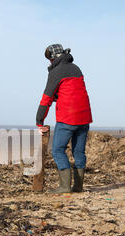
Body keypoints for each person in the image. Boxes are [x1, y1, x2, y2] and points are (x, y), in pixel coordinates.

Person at [36, 44, 93, 193]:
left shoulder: (56, 71)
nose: (49, 62)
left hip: (68, 117)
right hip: (84, 117)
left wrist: (39, 120)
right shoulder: (76, 68)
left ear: (53, 58)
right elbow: (70, 91)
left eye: (49, 59)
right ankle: (78, 187)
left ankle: (64, 187)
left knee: (57, 150)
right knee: (79, 152)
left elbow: (47, 97)